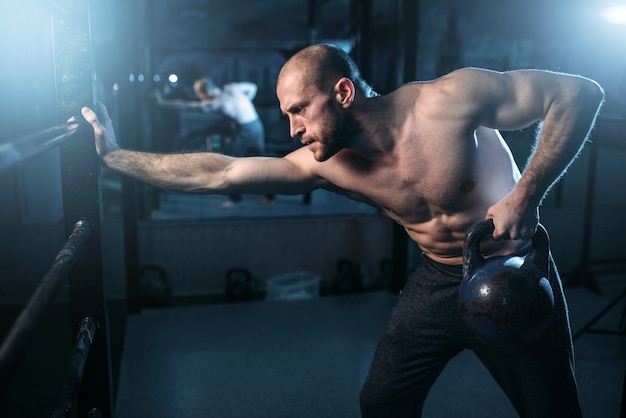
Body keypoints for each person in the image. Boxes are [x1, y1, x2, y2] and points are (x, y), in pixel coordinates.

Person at [82, 44, 604, 417]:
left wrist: (525, 194)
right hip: (436, 281)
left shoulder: (448, 101)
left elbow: (578, 95)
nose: (293, 130)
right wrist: (115, 156)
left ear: (344, 91)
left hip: (513, 274)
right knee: (381, 402)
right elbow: (220, 172)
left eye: (299, 111)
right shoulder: (325, 164)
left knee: (551, 409)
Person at [157, 77, 274, 208]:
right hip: (256, 124)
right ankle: (269, 196)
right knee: (263, 159)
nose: (202, 99)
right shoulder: (232, 88)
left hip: (245, 131)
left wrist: (162, 102)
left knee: (230, 163)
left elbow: (186, 105)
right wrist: (246, 102)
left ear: (207, 92)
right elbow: (253, 87)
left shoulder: (216, 103)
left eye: (201, 96)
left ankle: (235, 199)